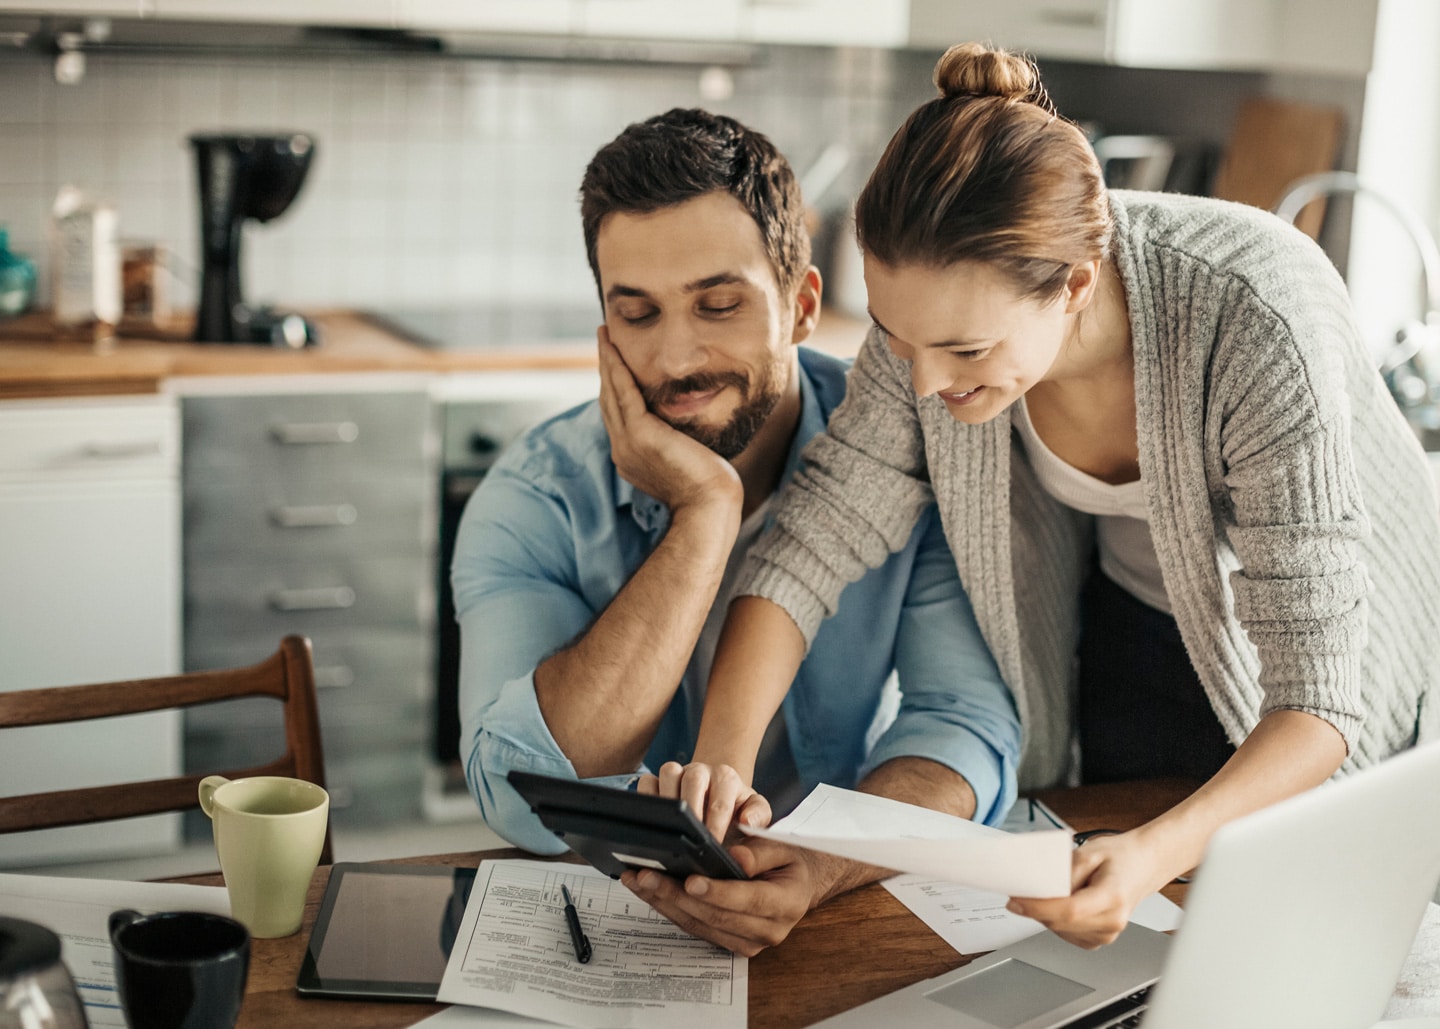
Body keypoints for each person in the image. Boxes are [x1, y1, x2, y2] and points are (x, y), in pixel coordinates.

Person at [663, 44, 1440, 949]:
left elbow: (1320, 695)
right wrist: (721, 760)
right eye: (898, 339)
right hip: (1135, 633)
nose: (922, 386)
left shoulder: (1254, 314)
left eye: (963, 351)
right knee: (1150, 955)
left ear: (1073, 284)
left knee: (1303, 939)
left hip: (1327, 680)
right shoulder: (930, 328)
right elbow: (814, 539)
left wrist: (1153, 852)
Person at [451, 107, 1021, 955]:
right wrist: (704, 515)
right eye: (637, 315)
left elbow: (963, 729)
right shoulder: (536, 497)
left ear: (801, 306)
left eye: (718, 304)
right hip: (618, 932)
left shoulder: (910, 457)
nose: (678, 358)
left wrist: (822, 862)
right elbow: (517, 791)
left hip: (839, 904)